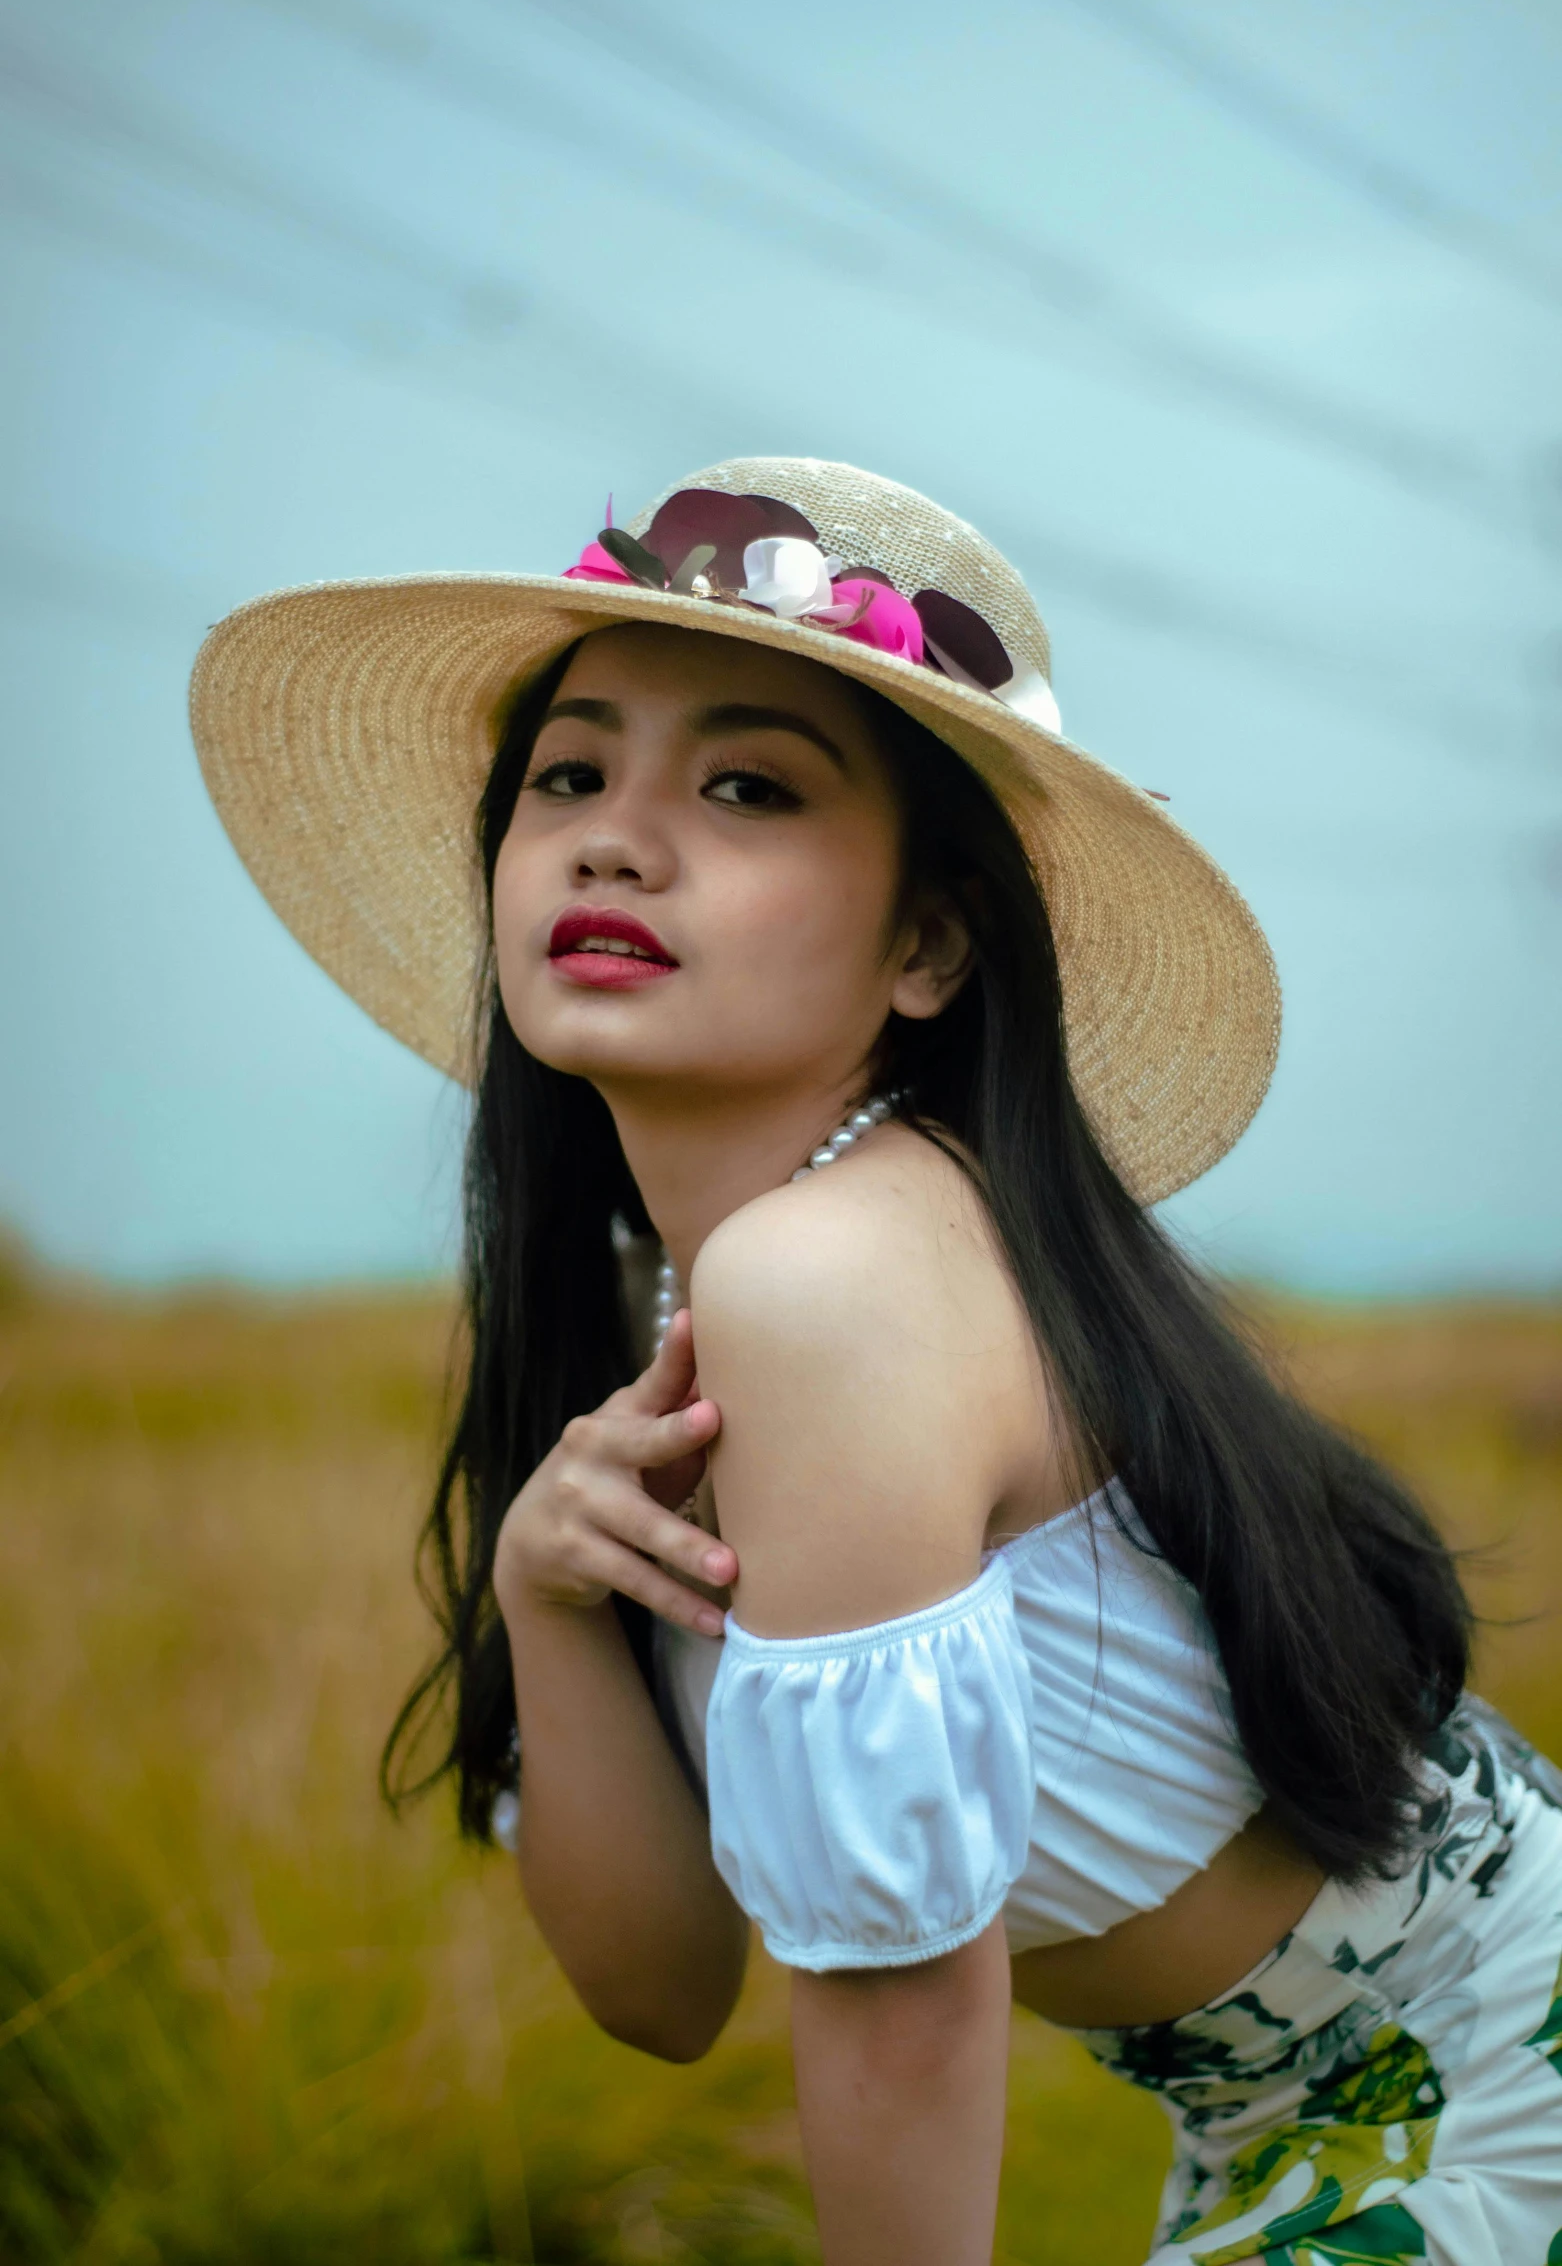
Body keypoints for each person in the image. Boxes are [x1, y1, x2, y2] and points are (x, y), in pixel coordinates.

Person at [191, 459, 1562, 2266]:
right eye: (569, 773)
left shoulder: (832, 1283)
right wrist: (544, 1588)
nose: (615, 836)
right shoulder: (694, 1308)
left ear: (929, 942)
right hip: (1292, 2133)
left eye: (747, 785)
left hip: (1492, 2100)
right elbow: (664, 1987)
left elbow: (902, 2003)